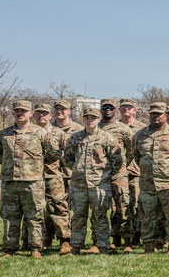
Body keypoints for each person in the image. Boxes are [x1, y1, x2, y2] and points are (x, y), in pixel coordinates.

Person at [0, 99, 60, 258]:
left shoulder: (41, 133)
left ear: (30, 113)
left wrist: (36, 164)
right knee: (10, 216)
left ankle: (35, 248)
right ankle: (9, 248)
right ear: (13, 113)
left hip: (33, 182)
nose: (20, 113)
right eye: (17, 111)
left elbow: (55, 153)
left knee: (35, 216)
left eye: (24, 111)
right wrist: (9, 163)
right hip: (10, 182)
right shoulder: (4, 134)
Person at [62, 105, 124, 254]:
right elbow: (67, 158)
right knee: (77, 216)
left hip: (99, 184)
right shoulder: (75, 138)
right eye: (87, 118)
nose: (90, 120)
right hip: (78, 184)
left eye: (93, 118)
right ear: (83, 119)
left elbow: (117, 160)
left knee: (100, 216)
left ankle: (102, 246)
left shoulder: (107, 138)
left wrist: (105, 174)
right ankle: (76, 246)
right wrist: (78, 170)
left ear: (98, 119)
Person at [133, 102, 169, 254]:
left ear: (165, 115)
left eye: (159, 114)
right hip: (148, 183)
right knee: (147, 216)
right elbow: (136, 156)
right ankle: (149, 246)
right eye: (153, 113)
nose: (156, 116)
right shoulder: (140, 135)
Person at [32, 102, 72, 254]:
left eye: (44, 113)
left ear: (50, 115)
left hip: (53, 176)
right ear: (34, 115)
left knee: (59, 207)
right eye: (38, 112)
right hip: (32, 177)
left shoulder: (58, 133)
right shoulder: (29, 132)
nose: (41, 115)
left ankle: (65, 241)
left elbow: (68, 154)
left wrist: (63, 171)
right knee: (35, 209)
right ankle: (38, 240)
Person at [97, 99, 135, 251]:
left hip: (118, 174)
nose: (108, 110)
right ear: (100, 109)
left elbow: (131, 152)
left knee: (123, 207)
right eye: (105, 107)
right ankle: (100, 241)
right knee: (99, 209)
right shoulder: (95, 128)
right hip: (99, 175)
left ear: (115, 110)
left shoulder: (124, 129)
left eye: (111, 107)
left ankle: (127, 241)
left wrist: (121, 166)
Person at [118, 98, 145, 248]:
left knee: (136, 205)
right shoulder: (113, 127)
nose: (126, 109)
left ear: (135, 110)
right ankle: (118, 238)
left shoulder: (142, 129)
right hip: (117, 172)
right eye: (123, 107)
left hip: (136, 171)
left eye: (129, 107)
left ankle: (136, 237)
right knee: (118, 206)